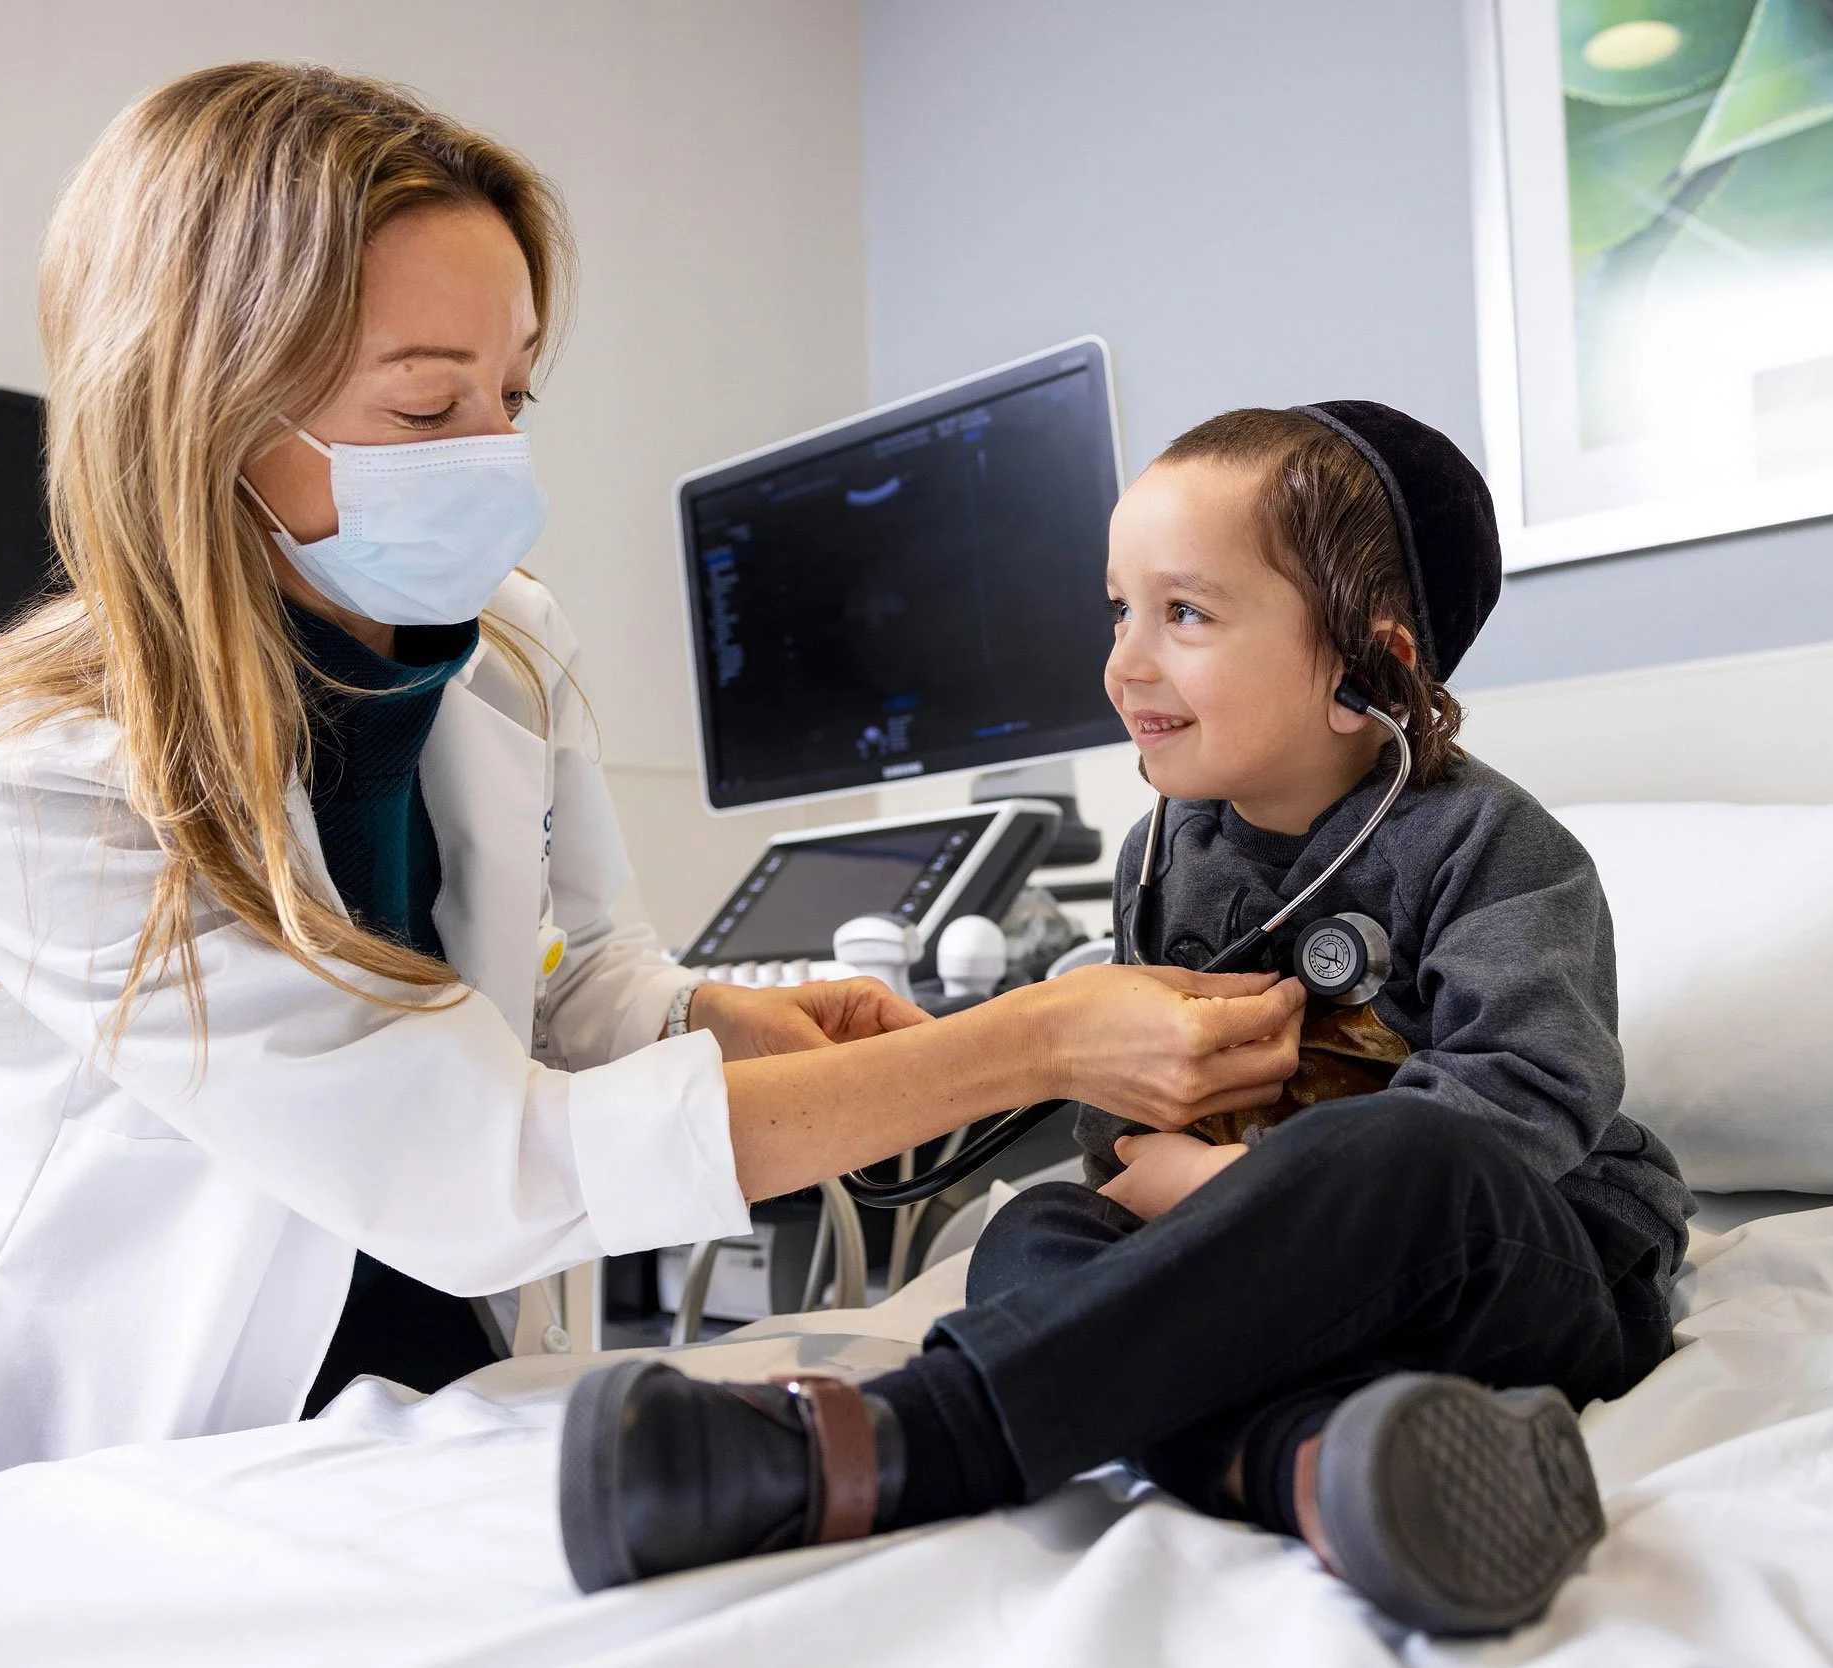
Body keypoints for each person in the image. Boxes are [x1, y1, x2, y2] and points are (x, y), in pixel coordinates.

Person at [0, 63, 1305, 1503]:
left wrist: (704, 1018)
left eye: (512, 398)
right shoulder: (44, 780)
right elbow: (476, 1172)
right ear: (203, 408)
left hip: (431, 1393)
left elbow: (572, 977)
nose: (492, 461)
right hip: (90, 1447)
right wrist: (1029, 1045)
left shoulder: (502, 653)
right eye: (422, 409)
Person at [561, 404, 1692, 1636]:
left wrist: (1227, 1186)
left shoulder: (1492, 849)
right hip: (1274, 1298)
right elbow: (1129, 1107)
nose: (1123, 664)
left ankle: (906, 1436)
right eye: (1120, 609)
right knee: (1033, 1229)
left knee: (1406, 1152)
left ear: (1370, 669)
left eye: (1186, 614)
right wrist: (1135, 1163)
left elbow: (1526, 1100)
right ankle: (1305, 1465)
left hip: (1509, 1265)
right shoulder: (1166, 853)